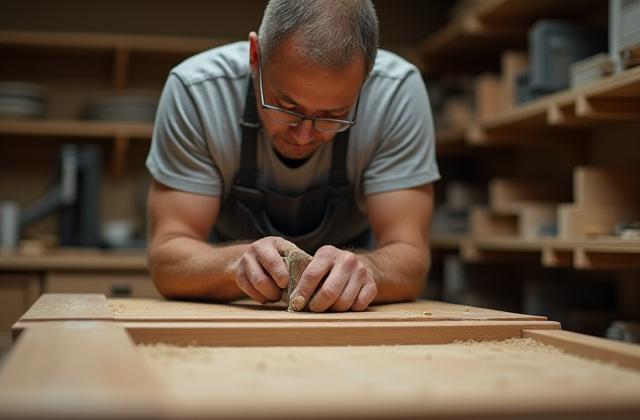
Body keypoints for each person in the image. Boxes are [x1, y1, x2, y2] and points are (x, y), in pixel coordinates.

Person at [146, 0, 440, 312]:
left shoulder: (396, 93)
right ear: (255, 56)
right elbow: (167, 258)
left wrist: (371, 271)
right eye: (286, 108)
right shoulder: (196, 92)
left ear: (365, 79)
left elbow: (411, 256)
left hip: (347, 312)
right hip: (236, 304)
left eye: (334, 115)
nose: (303, 136)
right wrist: (235, 264)